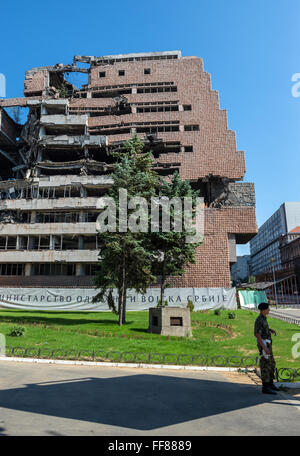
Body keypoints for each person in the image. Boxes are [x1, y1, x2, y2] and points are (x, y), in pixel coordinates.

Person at [254, 302, 280, 394]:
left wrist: (269, 330)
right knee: (265, 365)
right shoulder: (259, 320)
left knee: (272, 364)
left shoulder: (264, 318)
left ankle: (270, 383)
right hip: (264, 345)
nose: (269, 310)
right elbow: (257, 334)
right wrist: (264, 348)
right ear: (263, 310)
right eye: (268, 309)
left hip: (268, 344)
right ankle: (265, 387)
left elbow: (263, 329)